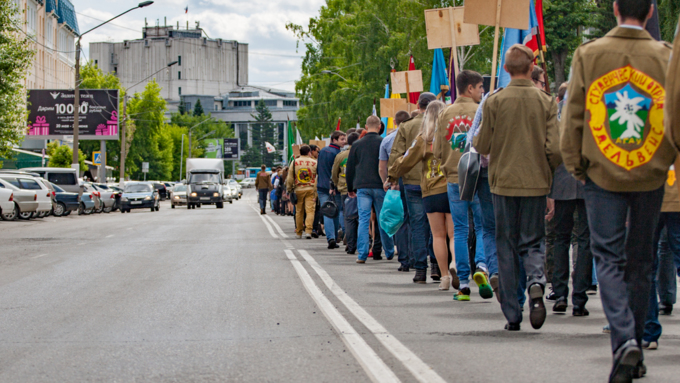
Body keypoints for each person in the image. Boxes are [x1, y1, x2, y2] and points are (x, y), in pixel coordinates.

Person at [561, 1, 674, 380]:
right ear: (652, 11)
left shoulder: (589, 54)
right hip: (651, 171)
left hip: (601, 172)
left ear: (614, 8)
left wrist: (577, 165)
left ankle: (624, 340)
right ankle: (636, 346)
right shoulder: (666, 57)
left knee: (608, 258)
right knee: (641, 262)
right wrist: (668, 158)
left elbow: (573, 115)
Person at [474, 44, 560, 332]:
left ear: (506, 69)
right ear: (532, 65)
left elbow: (482, 144)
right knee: (534, 240)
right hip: (536, 182)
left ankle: (512, 311)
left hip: (502, 183)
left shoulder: (493, 101)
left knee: (506, 245)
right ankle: (536, 281)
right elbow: (555, 148)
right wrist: (548, 175)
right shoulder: (547, 101)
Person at [388, 100, 459, 291]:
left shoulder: (424, 138)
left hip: (431, 189)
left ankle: (443, 276)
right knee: (454, 235)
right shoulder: (452, 135)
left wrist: (392, 175)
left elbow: (406, 160)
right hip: (452, 187)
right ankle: (455, 265)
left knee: (436, 234)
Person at [435, 70, 490, 301]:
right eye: (480, 88)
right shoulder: (481, 110)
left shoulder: (444, 113)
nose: (482, 92)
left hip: (454, 177)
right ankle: (481, 265)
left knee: (459, 229)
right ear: (470, 88)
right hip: (478, 175)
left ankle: (464, 283)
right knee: (482, 226)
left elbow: (436, 150)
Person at [390, 92, 438, 283]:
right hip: (435, 180)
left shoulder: (406, 126)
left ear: (418, 105)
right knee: (437, 226)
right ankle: (436, 263)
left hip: (411, 182)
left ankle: (420, 269)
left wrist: (393, 176)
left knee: (417, 225)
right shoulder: (439, 124)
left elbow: (396, 154)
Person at [346, 115, 395, 263]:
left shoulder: (357, 144)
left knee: (363, 219)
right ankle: (389, 250)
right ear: (380, 126)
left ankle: (362, 253)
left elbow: (350, 168)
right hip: (380, 185)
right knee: (383, 218)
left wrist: (350, 187)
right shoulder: (384, 142)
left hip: (362, 185)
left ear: (366, 127)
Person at [380, 110, 412, 271]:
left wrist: (389, 181)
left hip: (398, 183)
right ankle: (417, 258)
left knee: (400, 220)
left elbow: (383, 166)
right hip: (418, 181)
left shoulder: (387, 140)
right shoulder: (420, 132)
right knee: (417, 221)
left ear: (395, 122)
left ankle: (405, 259)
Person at [317, 131, 347, 249]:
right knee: (335, 211)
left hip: (321, 186)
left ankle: (332, 238)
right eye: (342, 139)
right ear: (334, 140)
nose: (344, 141)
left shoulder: (323, 151)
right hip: (333, 187)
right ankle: (333, 237)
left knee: (328, 210)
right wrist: (333, 186)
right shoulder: (338, 154)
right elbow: (335, 172)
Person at [333, 132, 360, 254]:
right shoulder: (361, 152)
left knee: (348, 217)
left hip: (345, 189)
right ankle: (363, 243)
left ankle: (350, 244)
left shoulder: (341, 155)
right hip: (360, 188)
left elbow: (334, 173)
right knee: (363, 217)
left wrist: (336, 183)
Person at [286, 145, 318, 239]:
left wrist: (289, 189)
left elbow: (290, 177)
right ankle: (308, 231)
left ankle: (299, 232)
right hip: (311, 189)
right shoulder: (314, 162)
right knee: (310, 211)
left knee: (299, 212)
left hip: (298, 189)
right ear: (309, 152)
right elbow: (317, 177)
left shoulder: (295, 162)